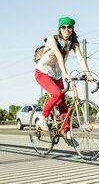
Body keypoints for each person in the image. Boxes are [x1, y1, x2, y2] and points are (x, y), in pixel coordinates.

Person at [35, 16, 93, 146]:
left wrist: (88, 74)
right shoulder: (52, 39)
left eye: (69, 27)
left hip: (56, 75)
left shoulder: (73, 42)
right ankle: (42, 119)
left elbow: (80, 58)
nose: (67, 29)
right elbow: (58, 55)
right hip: (42, 73)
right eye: (64, 27)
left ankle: (68, 135)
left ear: (72, 29)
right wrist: (66, 73)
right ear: (59, 29)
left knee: (63, 104)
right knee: (56, 93)